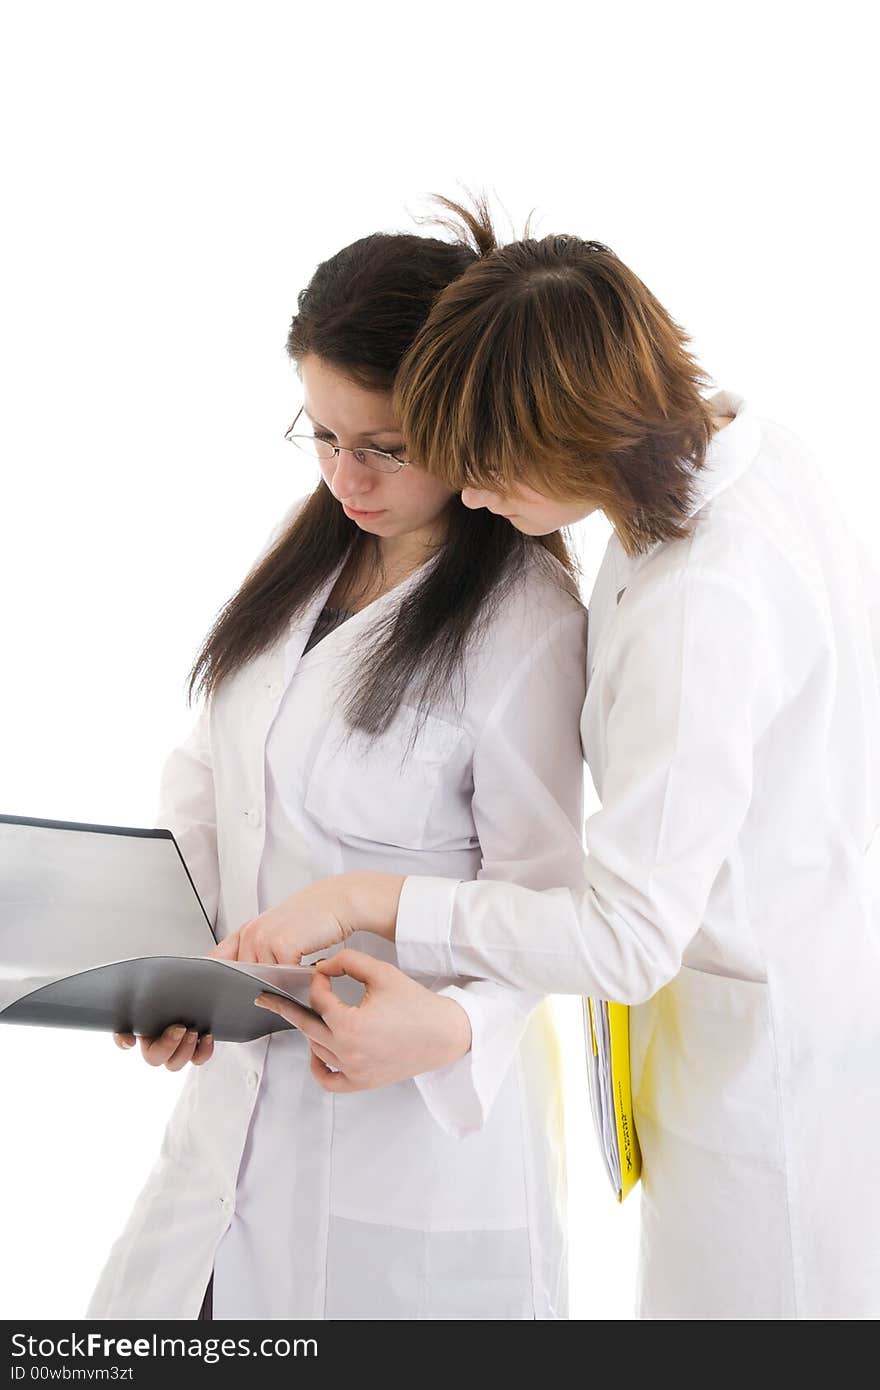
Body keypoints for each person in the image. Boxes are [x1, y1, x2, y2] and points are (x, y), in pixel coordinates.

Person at [220, 200, 880, 1320]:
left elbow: (623, 938)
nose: (470, 497)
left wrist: (373, 895)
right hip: (751, 1022)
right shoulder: (728, 454)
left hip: (769, 1078)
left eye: (486, 469)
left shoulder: (699, 601)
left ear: (577, 431)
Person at [86, 222, 589, 1321]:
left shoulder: (527, 623)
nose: (344, 476)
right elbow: (213, 775)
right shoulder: (309, 545)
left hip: (402, 1158)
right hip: (223, 1149)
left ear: (468, 418)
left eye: (387, 445)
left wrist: (455, 1030)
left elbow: (555, 905)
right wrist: (174, 968)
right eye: (319, 434)